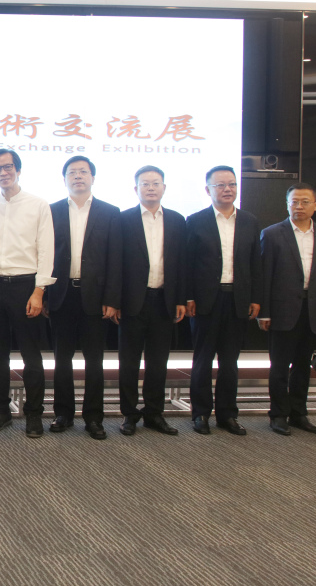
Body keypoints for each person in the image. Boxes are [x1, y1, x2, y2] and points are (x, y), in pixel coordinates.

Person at [0, 149, 54, 438]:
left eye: (8, 167)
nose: (3, 173)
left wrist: (39, 291)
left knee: (31, 356)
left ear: (18, 170)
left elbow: (46, 250)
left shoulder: (38, 205)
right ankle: (0, 411)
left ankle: (34, 415)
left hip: (26, 287)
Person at [46, 156, 121, 440]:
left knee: (94, 361)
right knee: (61, 360)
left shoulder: (110, 212)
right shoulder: (51, 210)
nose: (78, 176)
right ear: (64, 178)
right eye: (72, 172)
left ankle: (94, 417)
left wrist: (112, 298)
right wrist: (44, 293)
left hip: (96, 297)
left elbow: (115, 259)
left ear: (93, 177)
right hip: (61, 295)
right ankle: (63, 413)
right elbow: (44, 254)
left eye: (83, 172)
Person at [184, 165, 262, 436]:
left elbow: (255, 263)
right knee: (203, 360)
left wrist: (255, 298)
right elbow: (187, 263)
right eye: (220, 185)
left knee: (230, 361)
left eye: (232, 184)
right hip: (206, 300)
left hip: (238, 299)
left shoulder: (250, 221)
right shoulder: (195, 221)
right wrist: (189, 296)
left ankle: (228, 415)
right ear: (208, 190)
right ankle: (201, 413)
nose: (227, 189)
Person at [259, 183, 316, 436]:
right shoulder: (272, 234)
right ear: (287, 205)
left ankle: (299, 413)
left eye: (305, 202)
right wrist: (264, 311)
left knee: (303, 365)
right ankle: (278, 414)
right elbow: (265, 276)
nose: (299, 206)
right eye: (294, 201)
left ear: (315, 206)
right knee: (280, 366)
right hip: (281, 310)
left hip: (314, 310)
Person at [118, 165, 186, 436]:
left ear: (164, 188)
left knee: (158, 363)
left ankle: (154, 414)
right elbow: (115, 264)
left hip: (164, 301)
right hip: (132, 302)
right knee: (129, 363)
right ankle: (129, 414)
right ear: (136, 189)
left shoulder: (177, 220)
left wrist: (180, 298)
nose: (150, 188)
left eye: (155, 183)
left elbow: (182, 263)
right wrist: (115, 300)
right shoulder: (123, 219)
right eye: (145, 184)